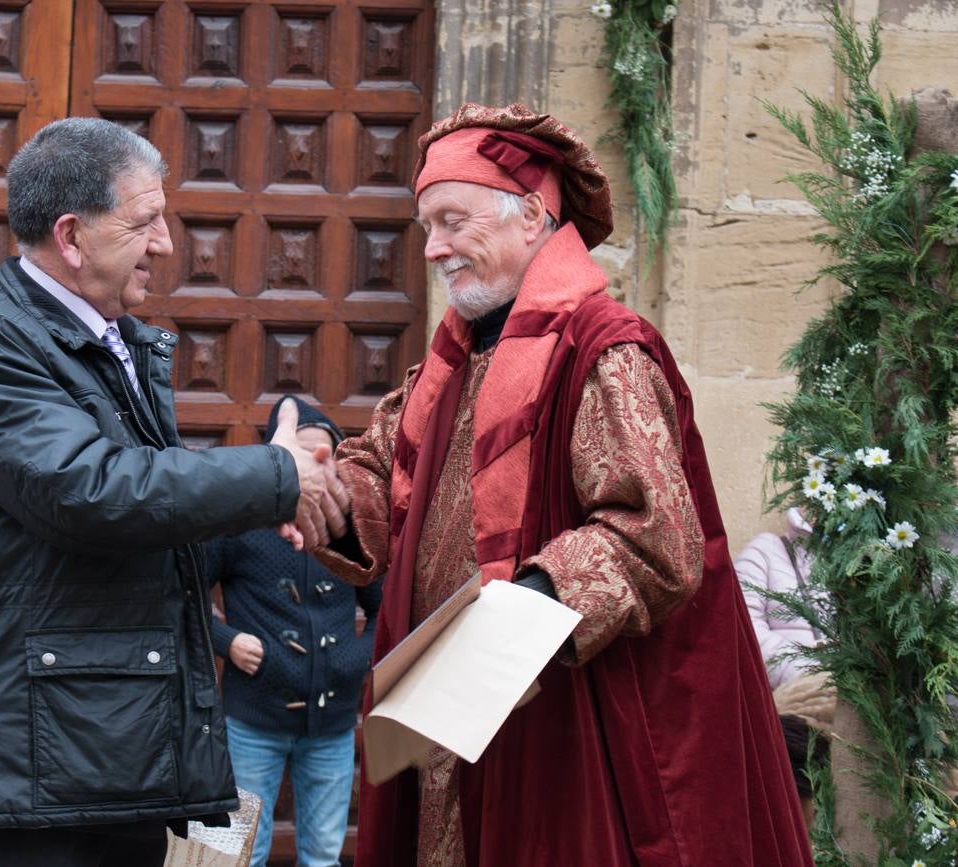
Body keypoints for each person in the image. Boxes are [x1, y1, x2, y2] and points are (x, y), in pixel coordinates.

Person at [284, 103, 813, 866]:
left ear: (531, 214)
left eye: (451, 221)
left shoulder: (606, 350)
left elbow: (656, 533)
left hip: (563, 726)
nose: (432, 249)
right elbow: (381, 479)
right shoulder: (449, 365)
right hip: (453, 725)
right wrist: (311, 485)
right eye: (426, 225)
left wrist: (526, 602)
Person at [0, 118, 347, 867]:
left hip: (94, 761)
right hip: (25, 784)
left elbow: (143, 528)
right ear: (71, 237)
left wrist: (280, 501)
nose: (167, 244)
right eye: (145, 221)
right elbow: (91, 492)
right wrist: (275, 476)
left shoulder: (104, 338)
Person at [207, 396, 382, 867]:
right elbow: (181, 601)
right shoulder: (238, 525)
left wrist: (357, 657)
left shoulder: (350, 531)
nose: (312, 469)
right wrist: (229, 642)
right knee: (238, 854)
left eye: (323, 457)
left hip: (333, 725)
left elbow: (385, 609)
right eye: (299, 454)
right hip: (250, 723)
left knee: (324, 854)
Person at [736, 508, 819, 690]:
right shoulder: (768, 549)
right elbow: (742, 627)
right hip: (785, 699)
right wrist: (808, 673)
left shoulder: (856, 568)